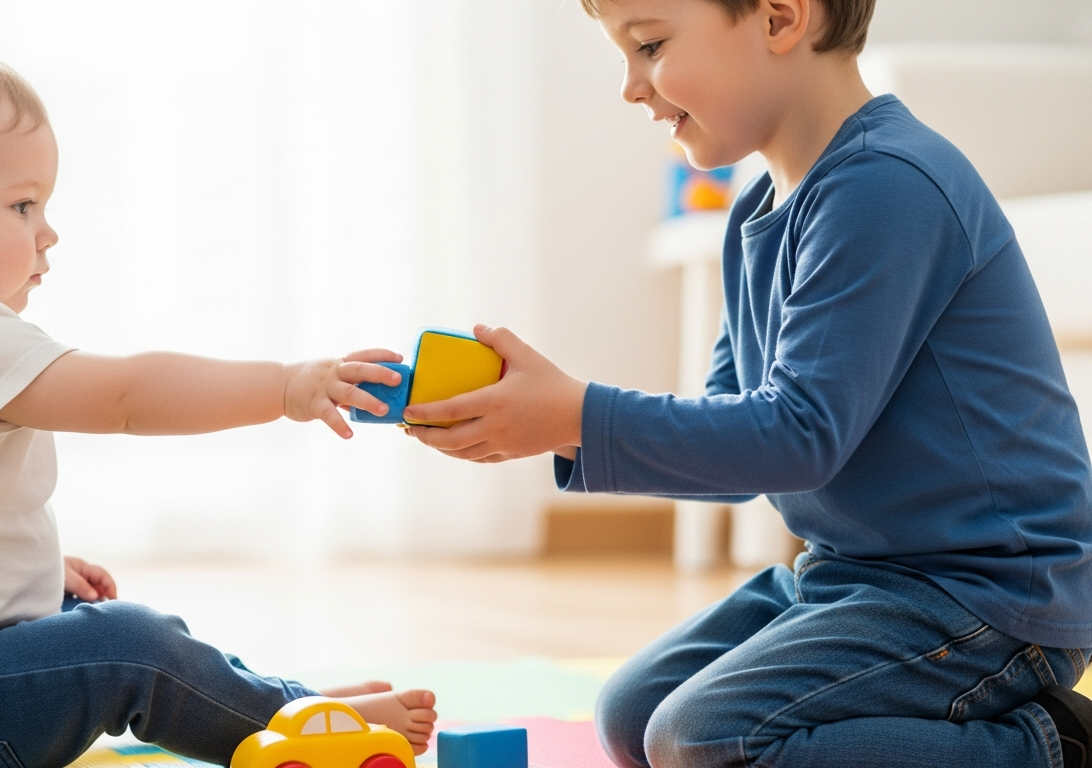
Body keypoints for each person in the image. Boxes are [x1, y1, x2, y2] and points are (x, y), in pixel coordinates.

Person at [401, 0, 1092, 766]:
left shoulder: (887, 187)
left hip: (988, 594)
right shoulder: (756, 208)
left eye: (651, 46)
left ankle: (1045, 745)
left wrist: (577, 414)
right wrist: (559, 420)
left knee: (699, 737)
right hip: (852, 575)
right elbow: (738, 433)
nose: (631, 87)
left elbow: (798, 437)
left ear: (778, 19)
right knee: (631, 715)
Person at [0, 39, 436, 768]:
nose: (48, 231)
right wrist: (285, 387)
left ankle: (283, 704)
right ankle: (293, 723)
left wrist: (27, 568)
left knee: (89, 620)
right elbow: (128, 396)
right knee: (130, 643)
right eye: (22, 204)